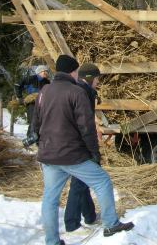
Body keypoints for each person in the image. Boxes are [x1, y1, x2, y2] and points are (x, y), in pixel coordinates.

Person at [32, 55, 133, 245]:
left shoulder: (44, 91)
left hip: (48, 154)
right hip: (71, 154)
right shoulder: (76, 92)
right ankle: (111, 224)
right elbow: (86, 128)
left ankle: (52, 241)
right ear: (73, 71)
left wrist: (42, 144)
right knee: (102, 182)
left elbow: (36, 123)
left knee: (50, 199)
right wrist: (94, 153)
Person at [63, 63, 101, 232]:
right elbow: (85, 125)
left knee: (83, 182)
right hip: (80, 144)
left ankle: (90, 215)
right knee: (79, 183)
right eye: (97, 79)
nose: (98, 82)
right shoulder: (83, 93)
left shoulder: (81, 90)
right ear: (90, 78)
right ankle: (71, 222)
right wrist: (93, 151)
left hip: (75, 142)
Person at [14, 65, 50, 134]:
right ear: (39, 72)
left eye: (46, 71)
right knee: (33, 122)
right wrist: (20, 97)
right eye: (43, 71)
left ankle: (38, 141)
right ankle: (30, 139)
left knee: (41, 122)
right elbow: (17, 84)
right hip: (32, 104)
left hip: (43, 104)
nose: (46, 73)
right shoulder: (31, 79)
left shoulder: (47, 82)